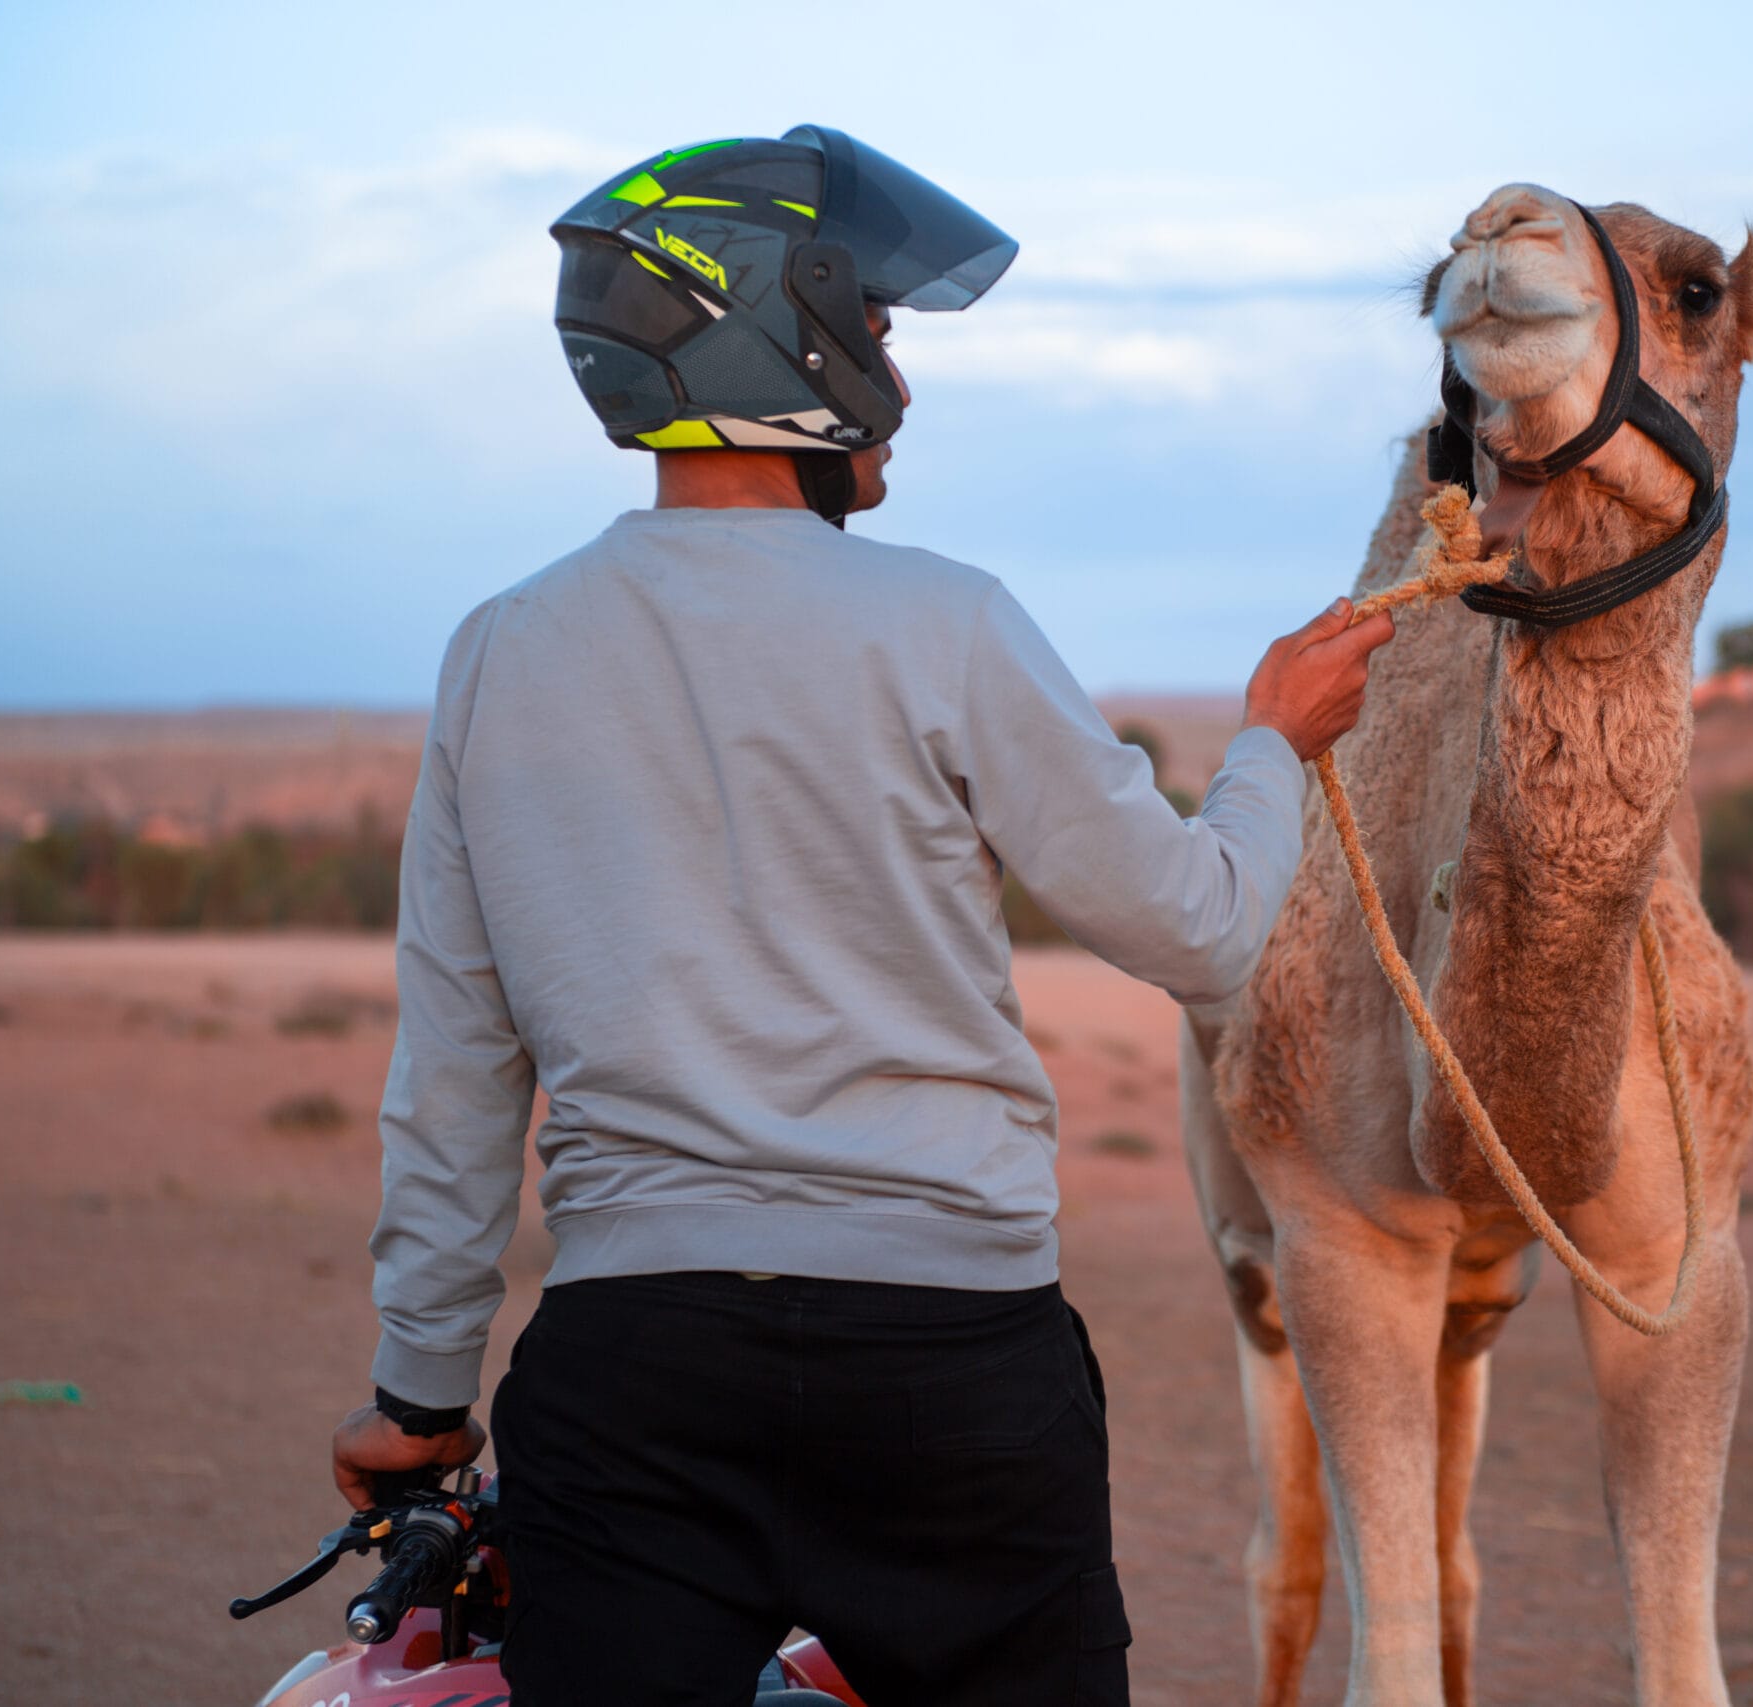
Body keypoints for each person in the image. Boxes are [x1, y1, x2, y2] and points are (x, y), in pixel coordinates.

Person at [327, 125, 1393, 1707]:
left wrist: (420, 1397)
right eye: (878, 327)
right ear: (788, 335)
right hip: (951, 1375)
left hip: (633, 1385)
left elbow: (460, 1067)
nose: (897, 374)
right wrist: (1271, 746)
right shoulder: (946, 621)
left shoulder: (500, 650)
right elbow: (1203, 929)